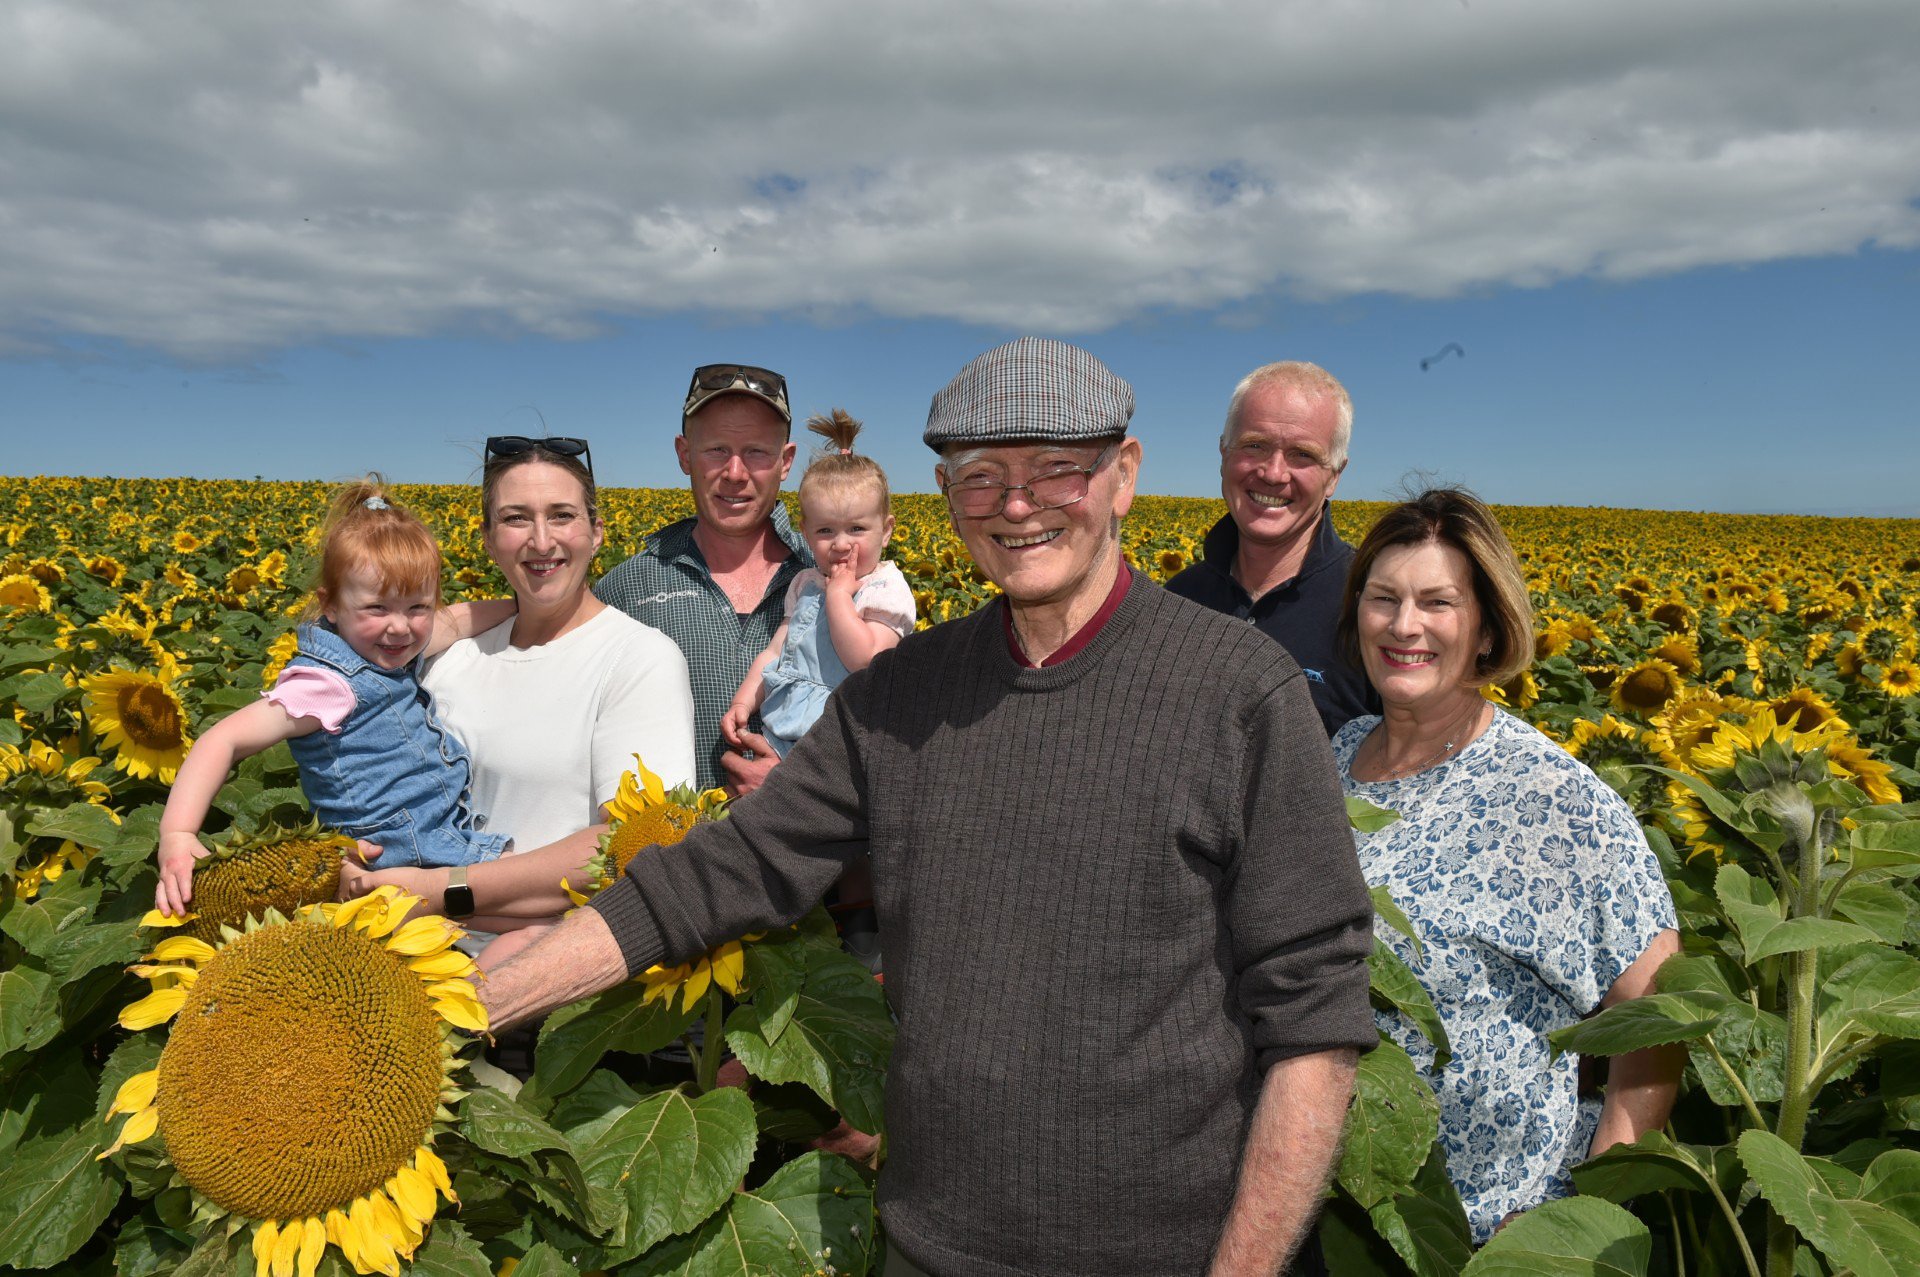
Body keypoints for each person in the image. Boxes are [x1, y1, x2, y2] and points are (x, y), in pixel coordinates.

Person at [472, 337, 1377, 1277]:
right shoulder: (900, 698)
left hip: (1166, 1251)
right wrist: (471, 1009)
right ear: (947, 496)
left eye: (1056, 470)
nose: (1016, 505)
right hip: (933, 1243)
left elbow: (1314, 1018)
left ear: (1125, 476)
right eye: (980, 475)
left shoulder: (1238, 691)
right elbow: (715, 875)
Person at [1329, 487, 1682, 1241]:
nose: (1404, 624)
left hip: (1485, 1232)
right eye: (1383, 597)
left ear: (1488, 624)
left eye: (1437, 602)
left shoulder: (1556, 797)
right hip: (1326, 1210)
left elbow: (1655, 1016)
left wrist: (1580, 1224)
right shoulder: (1329, 759)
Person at [339, 437, 697, 970]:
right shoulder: (445, 655)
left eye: (561, 515)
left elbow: (631, 845)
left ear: (597, 532)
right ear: (487, 539)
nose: (541, 540)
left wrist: (439, 890)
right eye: (515, 519)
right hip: (400, 964)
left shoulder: (637, 657)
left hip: (547, 981)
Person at [155, 478, 514, 923]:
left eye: (417, 607)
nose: (400, 627)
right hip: (398, 859)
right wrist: (176, 834)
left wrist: (525, 608)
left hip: (438, 836)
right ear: (330, 606)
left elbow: (457, 621)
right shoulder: (330, 685)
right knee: (539, 907)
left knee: (538, 911)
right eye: (377, 609)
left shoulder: (388, 646)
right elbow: (223, 739)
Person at [595, 363, 813, 794]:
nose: (735, 472)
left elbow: (884, 740)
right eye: (716, 449)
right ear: (684, 454)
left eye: (756, 452)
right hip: (671, 858)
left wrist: (800, 790)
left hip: (813, 857)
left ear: (785, 462)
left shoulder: (836, 583)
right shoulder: (625, 591)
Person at [1167, 361, 1379, 735]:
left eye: (1302, 455)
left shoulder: (1373, 609)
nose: (1273, 473)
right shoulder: (1176, 601)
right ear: (1223, 453)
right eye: (1255, 445)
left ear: (1335, 476)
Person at [720, 408, 915, 759]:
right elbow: (777, 652)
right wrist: (745, 700)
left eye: (857, 529)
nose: (841, 544)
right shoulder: (805, 583)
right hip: (783, 729)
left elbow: (866, 660)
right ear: (806, 533)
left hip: (848, 741)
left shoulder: (886, 588)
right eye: (826, 531)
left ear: (885, 531)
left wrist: (839, 596)